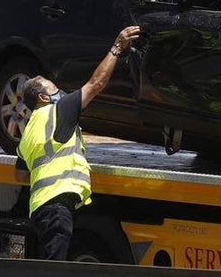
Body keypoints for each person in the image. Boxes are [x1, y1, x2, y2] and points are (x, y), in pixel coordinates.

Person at [17, 25, 142, 261]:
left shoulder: (29, 130)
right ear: (44, 98)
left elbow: (20, 172)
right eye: (54, 87)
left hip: (41, 208)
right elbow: (96, 85)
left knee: (52, 262)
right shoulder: (57, 111)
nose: (60, 90)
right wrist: (117, 47)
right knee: (55, 272)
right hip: (56, 207)